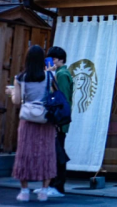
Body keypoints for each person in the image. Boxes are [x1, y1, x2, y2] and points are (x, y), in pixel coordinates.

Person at [5, 45, 57, 202]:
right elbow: (55, 95)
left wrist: (11, 92)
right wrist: (52, 72)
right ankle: (44, 191)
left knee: (25, 153)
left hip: (27, 120)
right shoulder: (49, 76)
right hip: (45, 118)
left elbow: (16, 101)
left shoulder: (20, 78)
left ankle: (24, 191)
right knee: (47, 153)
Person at [43, 47, 72, 197]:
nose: (51, 62)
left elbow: (62, 99)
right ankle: (53, 185)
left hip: (59, 119)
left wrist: (58, 120)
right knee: (55, 152)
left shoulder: (62, 74)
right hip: (59, 118)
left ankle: (58, 186)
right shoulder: (59, 73)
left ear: (61, 60)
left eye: (53, 59)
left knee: (58, 153)